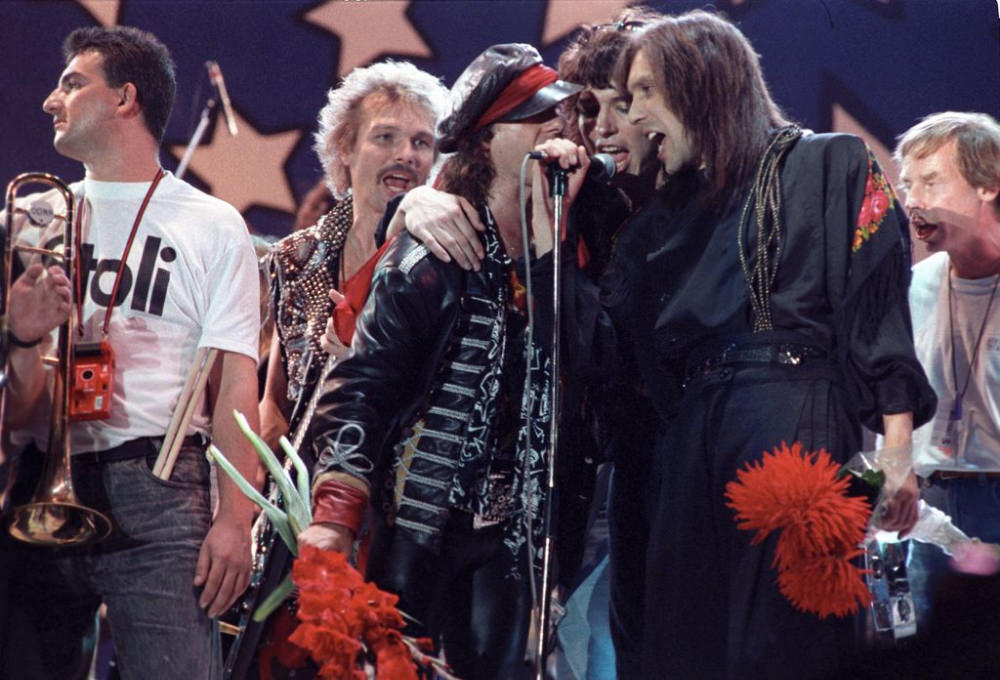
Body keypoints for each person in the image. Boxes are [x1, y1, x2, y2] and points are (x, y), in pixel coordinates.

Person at [609, 11, 936, 678]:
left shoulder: (832, 162)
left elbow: (877, 313)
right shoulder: (655, 223)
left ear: (700, 83)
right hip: (690, 443)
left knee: (786, 645)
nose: (633, 111)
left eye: (645, 90)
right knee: (686, 646)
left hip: (793, 419)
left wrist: (896, 453)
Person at [298, 43, 588, 679]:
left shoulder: (567, 253)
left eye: (559, 114)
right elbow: (359, 387)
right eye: (534, 115)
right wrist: (336, 519)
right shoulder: (431, 256)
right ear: (485, 141)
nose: (555, 126)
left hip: (510, 544)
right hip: (417, 534)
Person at [1, 26, 260, 679]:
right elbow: (16, 410)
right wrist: (23, 336)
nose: (50, 101)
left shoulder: (212, 224)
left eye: (71, 82)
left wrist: (236, 520)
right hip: (38, 481)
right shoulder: (28, 219)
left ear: (124, 98)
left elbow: (235, 386)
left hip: (159, 489)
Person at [240, 59, 448, 679]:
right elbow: (272, 405)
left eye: (422, 142)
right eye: (385, 136)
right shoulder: (294, 258)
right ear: (344, 150)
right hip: (302, 520)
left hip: (397, 516)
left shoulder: (443, 259)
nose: (405, 155)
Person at [895, 111, 1000, 629]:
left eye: (931, 181)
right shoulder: (911, 287)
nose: (913, 200)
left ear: (988, 185)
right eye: (907, 184)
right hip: (933, 511)